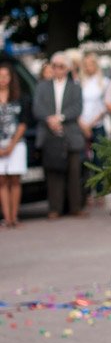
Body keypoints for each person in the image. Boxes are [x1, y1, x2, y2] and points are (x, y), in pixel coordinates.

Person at [33, 52, 87, 220]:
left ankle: (75, 207)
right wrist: (50, 119)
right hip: (50, 134)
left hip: (70, 133)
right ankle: (54, 208)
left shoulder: (75, 87)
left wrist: (60, 118)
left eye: (61, 66)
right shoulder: (42, 86)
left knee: (74, 173)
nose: (57, 69)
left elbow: (77, 108)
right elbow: (37, 107)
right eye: (54, 66)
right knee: (53, 172)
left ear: (68, 68)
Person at [0, 63, 29, 228]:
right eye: (0, 75)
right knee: (2, 180)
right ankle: (6, 218)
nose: (2, 79)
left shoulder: (19, 98)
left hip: (16, 143)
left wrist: (12, 144)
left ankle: (14, 216)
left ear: (11, 78)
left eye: (6, 75)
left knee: (15, 179)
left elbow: (23, 123)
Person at [77, 53, 107, 204]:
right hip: (82, 124)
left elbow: (104, 106)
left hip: (97, 124)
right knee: (84, 160)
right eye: (86, 64)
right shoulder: (79, 82)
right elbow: (76, 104)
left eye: (91, 64)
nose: (89, 67)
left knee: (99, 159)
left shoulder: (102, 82)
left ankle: (100, 190)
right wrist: (83, 124)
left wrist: (91, 123)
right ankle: (86, 192)